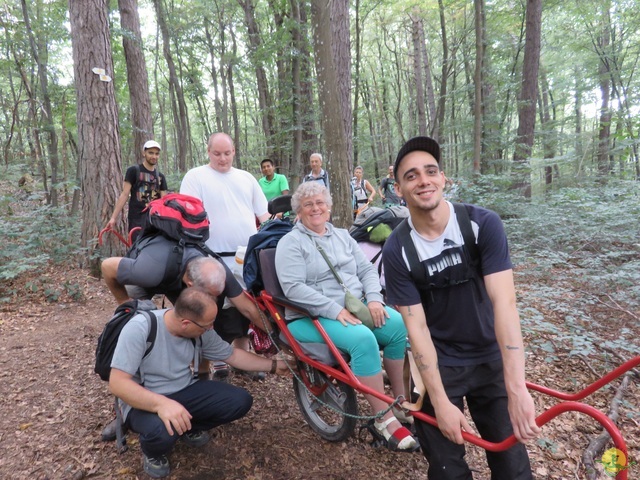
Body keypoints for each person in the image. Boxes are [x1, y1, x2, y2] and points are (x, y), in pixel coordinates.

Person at [382, 136, 540, 479]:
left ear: (443, 178)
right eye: (411, 175)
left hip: (489, 357)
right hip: (436, 363)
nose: (423, 180)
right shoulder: (398, 249)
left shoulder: (482, 224)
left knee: (513, 466)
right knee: (446, 469)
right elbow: (417, 329)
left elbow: (505, 304)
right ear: (398, 189)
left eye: (430, 171)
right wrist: (439, 401)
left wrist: (517, 387)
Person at [275, 182, 418, 451]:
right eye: (308, 204)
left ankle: (398, 400)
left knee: (397, 325)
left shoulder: (342, 235)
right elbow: (293, 288)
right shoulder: (290, 243)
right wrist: (334, 309)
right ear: (299, 211)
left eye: (320, 203)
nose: (315, 208)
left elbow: (366, 270)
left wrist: (374, 299)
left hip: (355, 306)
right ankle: (383, 419)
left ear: (329, 208)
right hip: (307, 318)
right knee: (363, 339)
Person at [110, 286, 289, 478]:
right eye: (208, 324)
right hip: (143, 401)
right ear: (186, 323)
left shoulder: (200, 330)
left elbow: (232, 355)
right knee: (161, 431)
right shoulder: (140, 328)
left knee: (239, 400)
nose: (211, 328)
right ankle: (153, 453)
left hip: (184, 390)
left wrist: (273, 366)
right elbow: (118, 383)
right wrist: (161, 404)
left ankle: (187, 427)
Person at [180, 133, 270, 379]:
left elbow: (264, 218)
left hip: (245, 258)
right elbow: (188, 216)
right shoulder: (195, 176)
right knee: (209, 311)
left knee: (245, 312)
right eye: (217, 153)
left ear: (234, 151)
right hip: (209, 257)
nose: (222, 158)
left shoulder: (247, 178)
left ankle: (243, 360)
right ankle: (208, 364)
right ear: (208, 152)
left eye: (227, 153)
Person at [106, 140, 168, 243]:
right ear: (144, 153)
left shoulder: (160, 177)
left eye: (157, 154)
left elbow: (164, 201)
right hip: (136, 219)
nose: (154, 156)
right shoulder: (133, 171)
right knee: (136, 248)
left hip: (154, 220)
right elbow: (124, 194)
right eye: (151, 153)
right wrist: (113, 218)